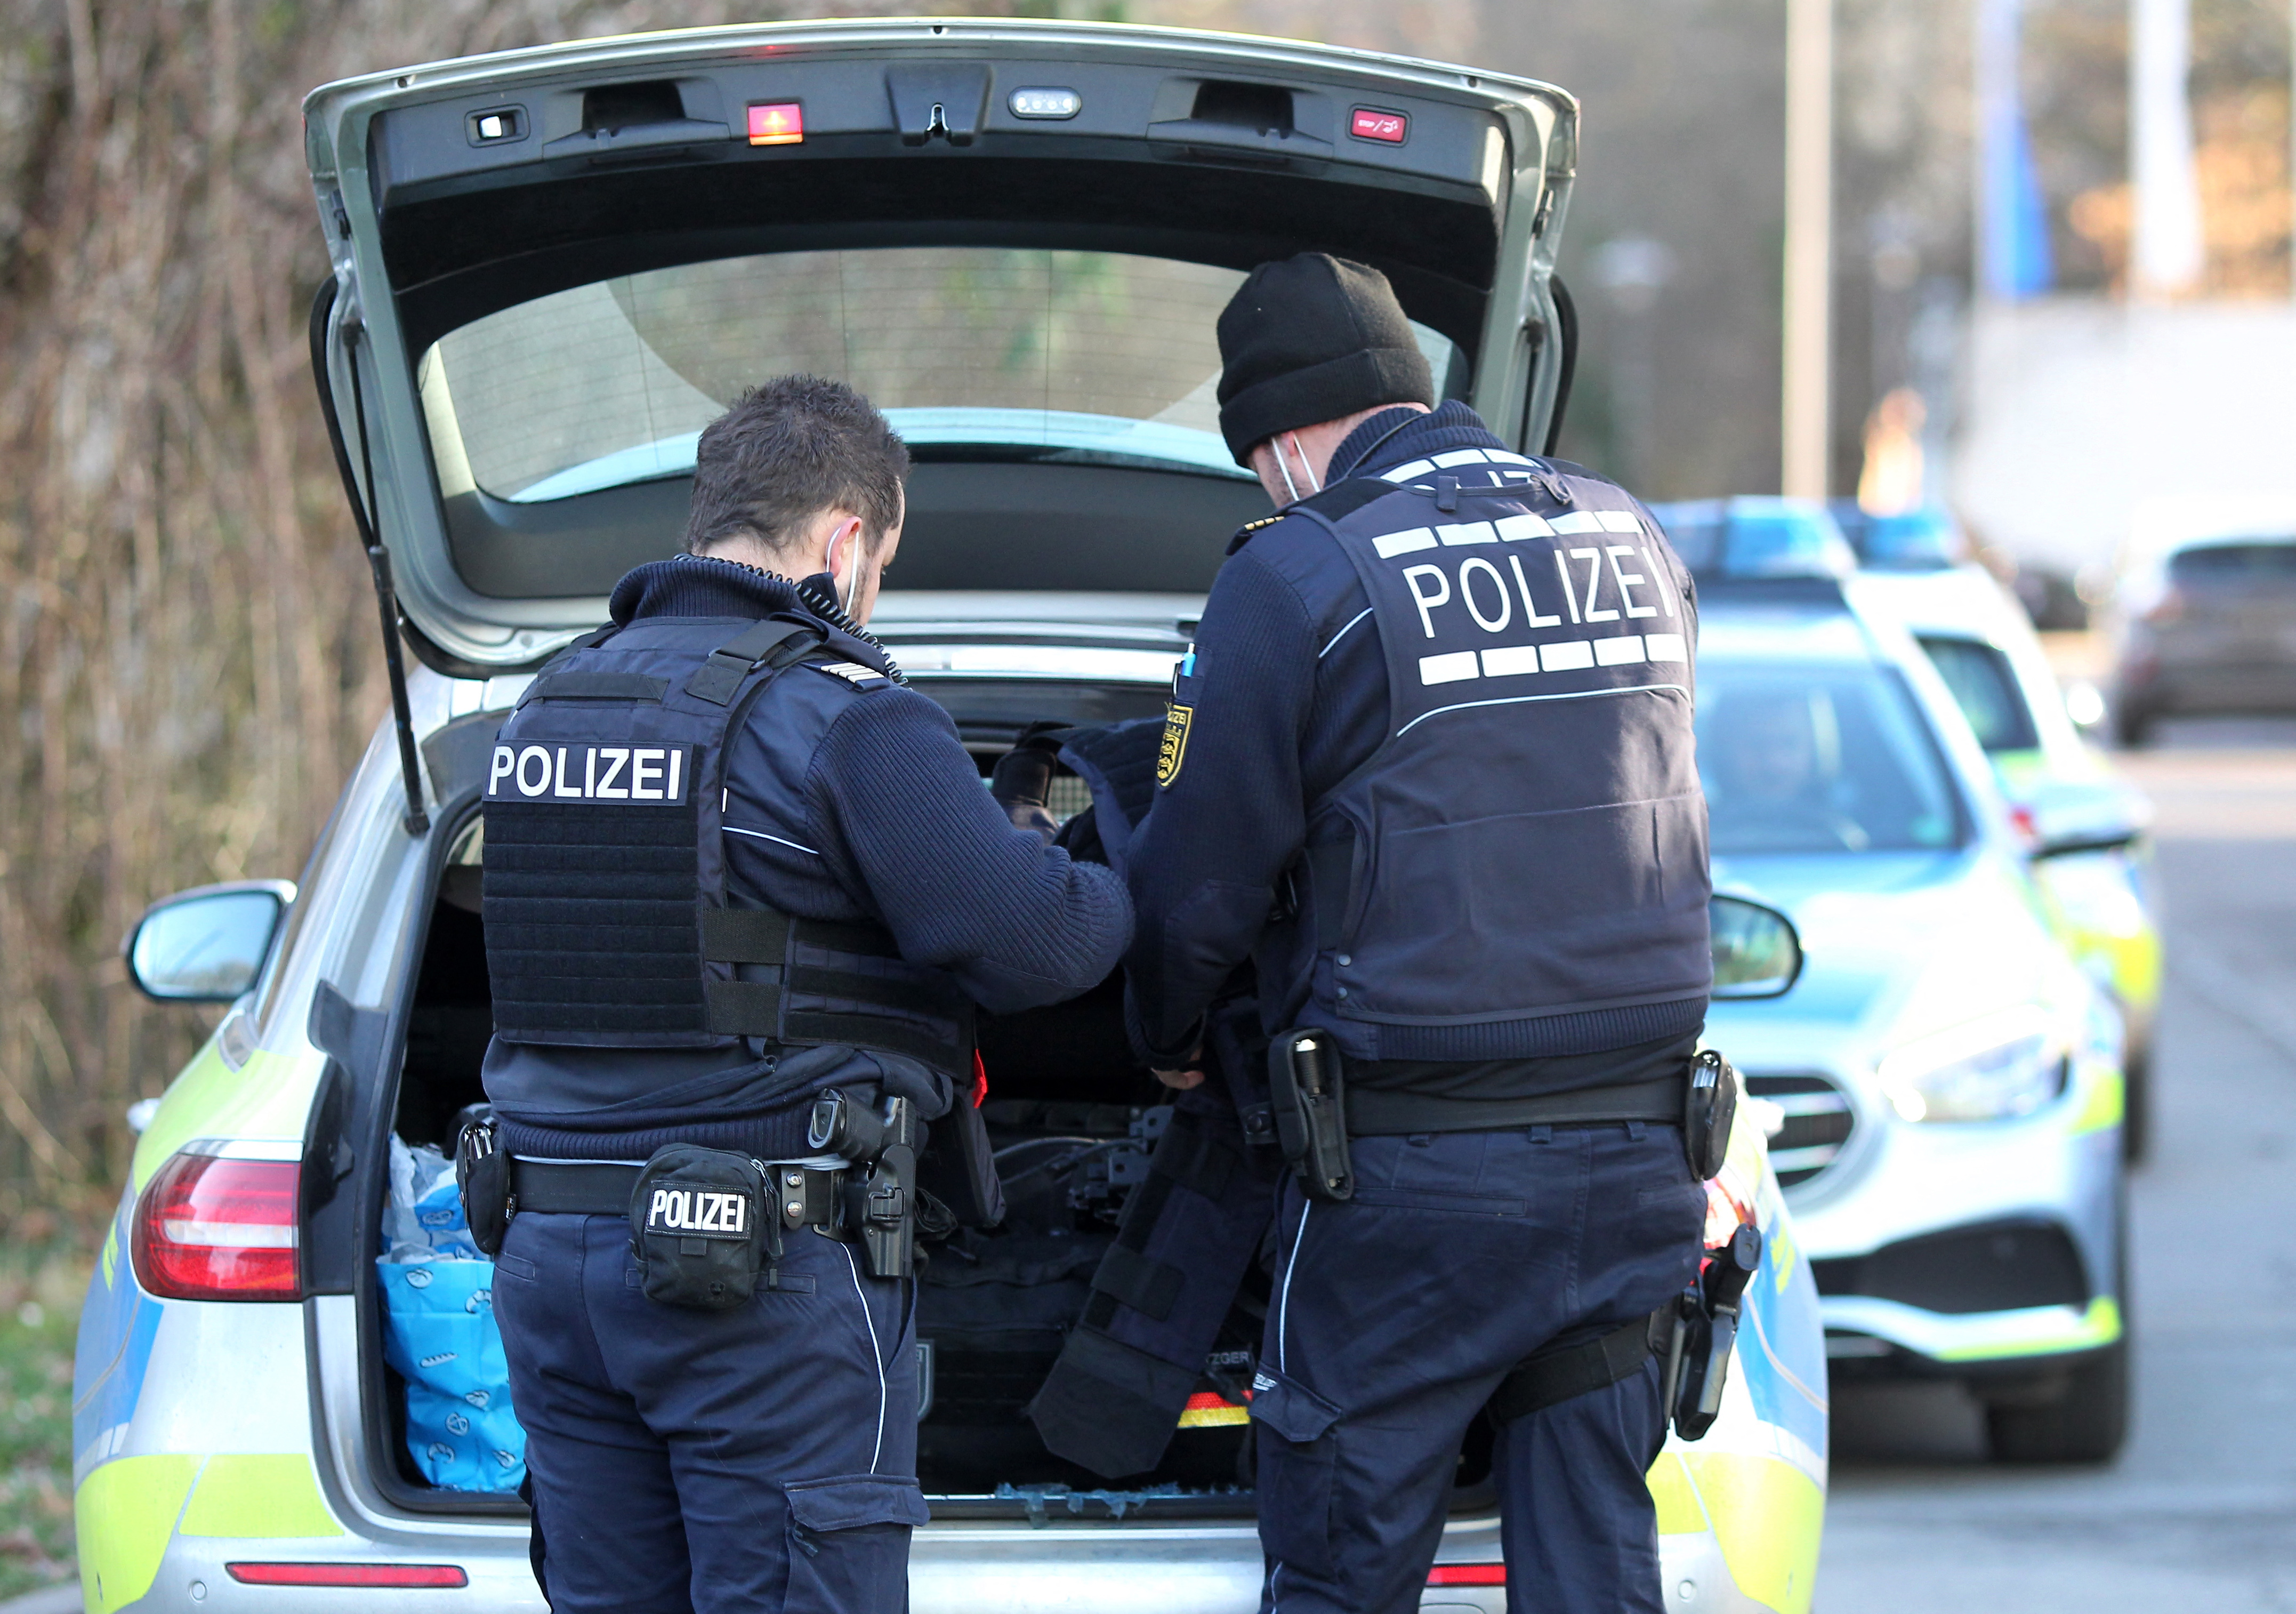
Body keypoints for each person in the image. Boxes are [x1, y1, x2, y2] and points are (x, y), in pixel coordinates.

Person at [477, 375, 1131, 1613]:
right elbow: (1033, 943)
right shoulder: (843, 716)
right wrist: (1112, 866)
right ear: (846, 541)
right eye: (879, 560)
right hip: (751, 1269)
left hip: (550, 1257)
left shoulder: (550, 704)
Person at [1122, 255, 1714, 1614]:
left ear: (1275, 447)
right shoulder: (1635, 537)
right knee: (1595, 1575)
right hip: (1636, 1168)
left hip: (1413, 1188)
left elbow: (1200, 886)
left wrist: (1161, 1039)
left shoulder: (1298, 573)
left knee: (1341, 1563)